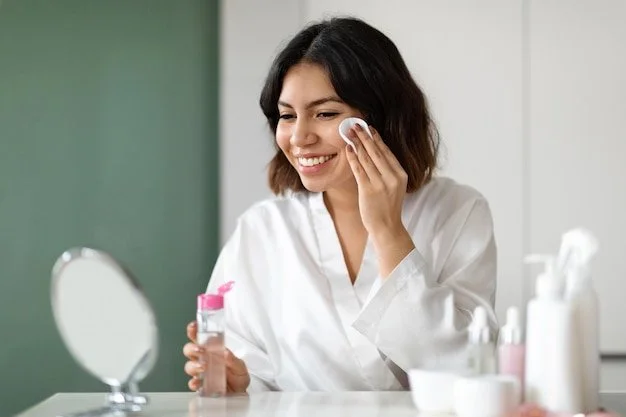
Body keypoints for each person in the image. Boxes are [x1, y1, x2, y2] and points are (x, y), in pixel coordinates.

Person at [183, 16, 498, 393]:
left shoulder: (457, 211)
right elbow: (247, 369)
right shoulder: (262, 230)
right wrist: (238, 384)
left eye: (325, 113)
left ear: (380, 117)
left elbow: (465, 369)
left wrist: (388, 230)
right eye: (287, 116)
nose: (299, 137)